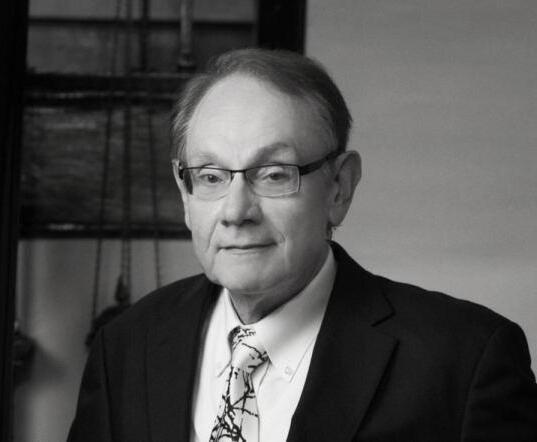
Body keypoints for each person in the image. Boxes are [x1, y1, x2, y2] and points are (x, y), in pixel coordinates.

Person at [68, 48, 537, 442]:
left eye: (274, 175)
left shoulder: (464, 360)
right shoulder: (126, 347)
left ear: (339, 188)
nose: (236, 211)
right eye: (211, 177)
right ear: (185, 193)